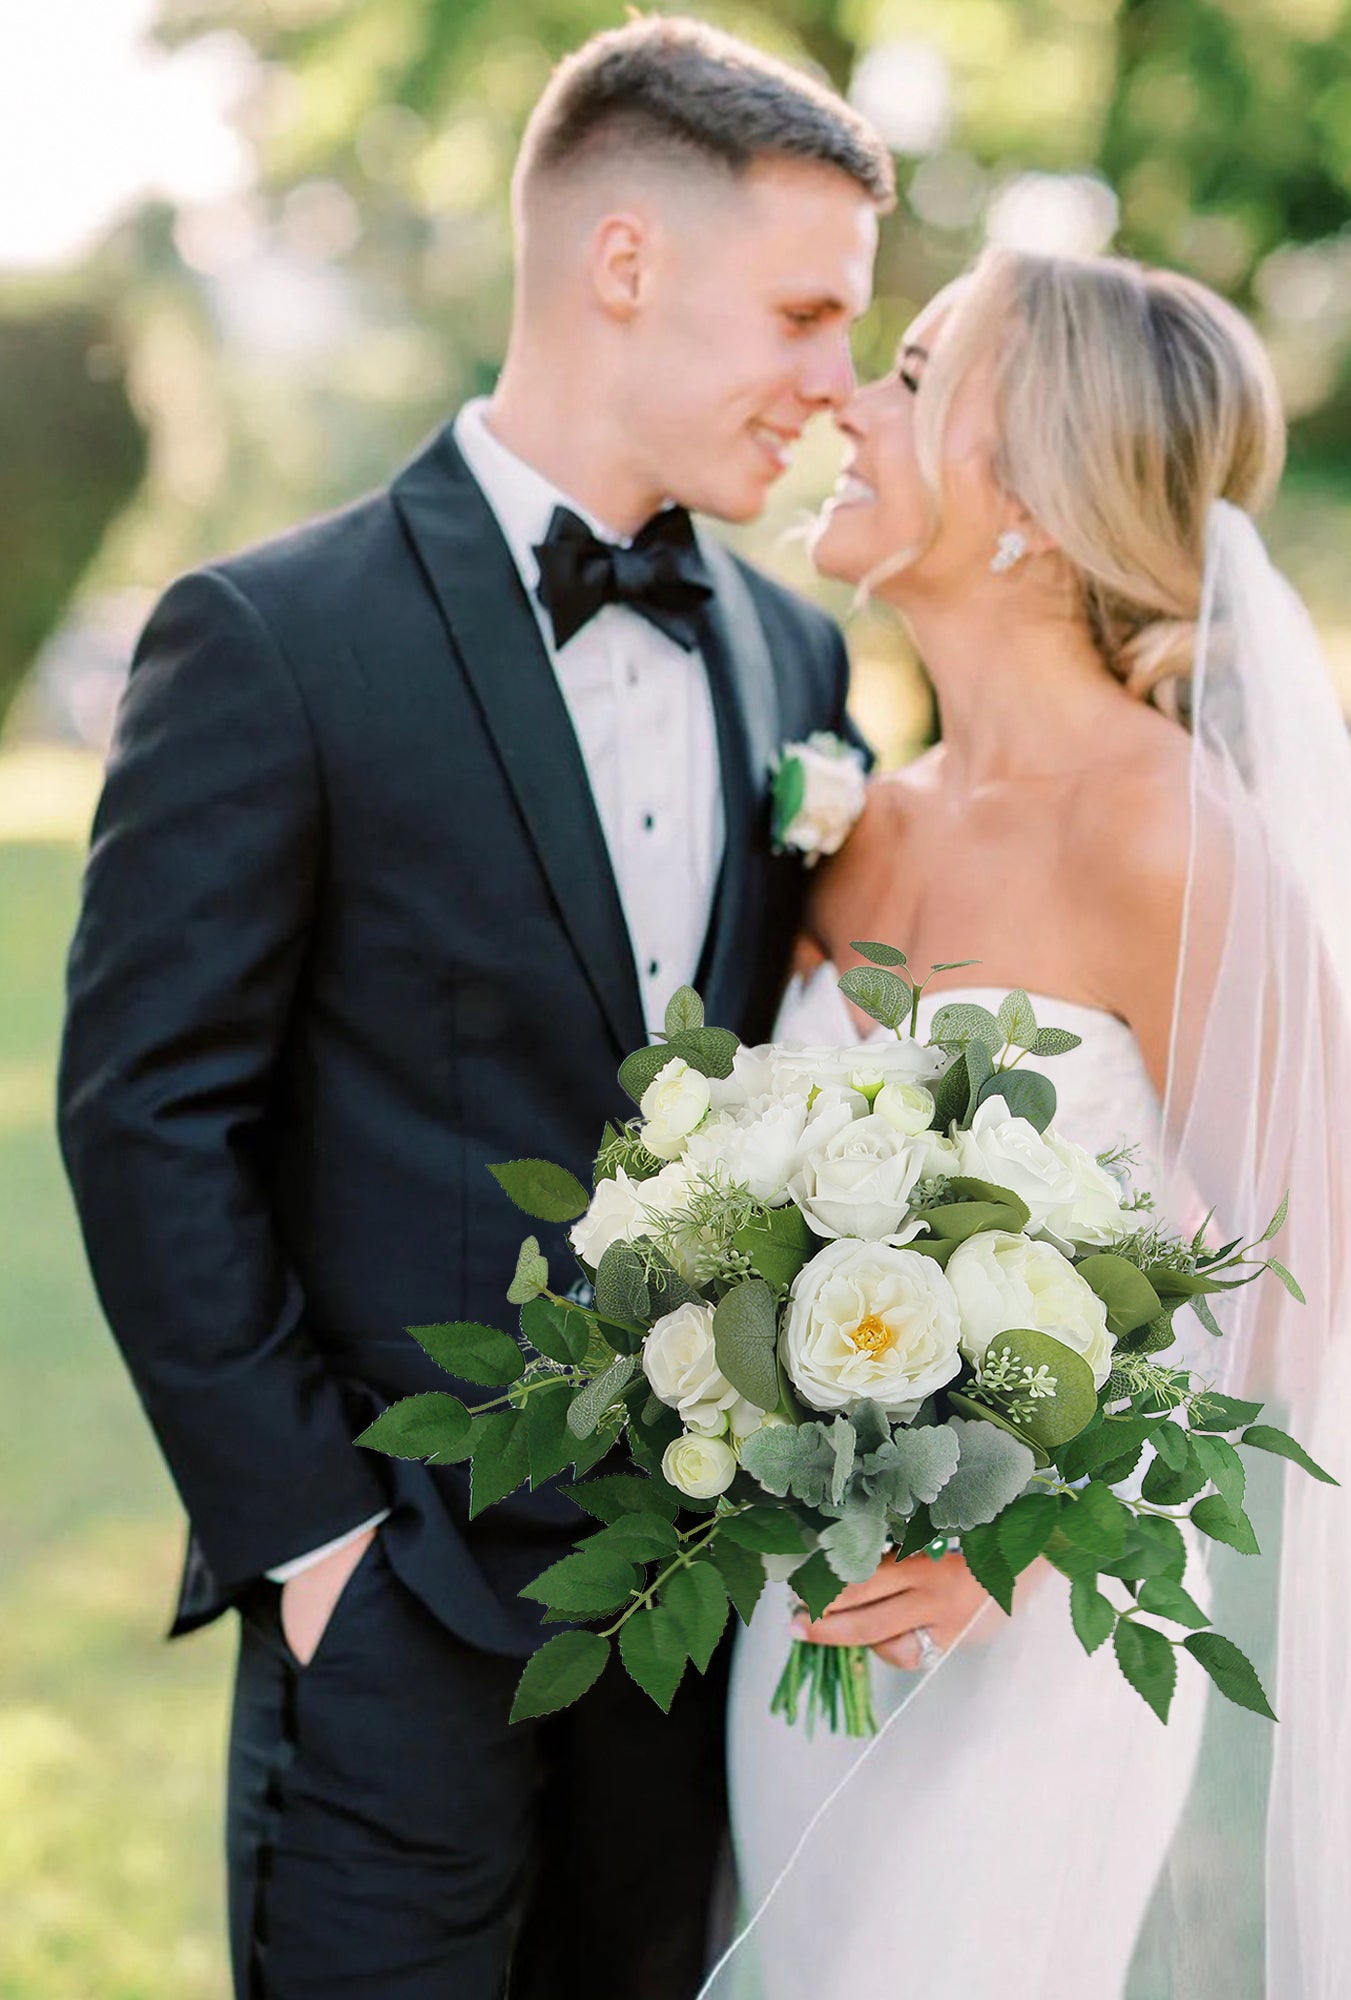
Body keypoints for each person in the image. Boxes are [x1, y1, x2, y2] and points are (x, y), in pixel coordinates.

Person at [56, 19, 889, 1998]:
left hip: (700, 1623)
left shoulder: (798, 653)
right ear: (625, 264)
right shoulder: (273, 636)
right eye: (806, 311)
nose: (839, 385)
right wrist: (320, 1551)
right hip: (400, 1614)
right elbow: (146, 1111)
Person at [711, 251, 1351, 1996]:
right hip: (807, 1624)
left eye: (913, 375)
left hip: (1026, 1657)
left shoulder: (1176, 845)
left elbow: (1298, 1303)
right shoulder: (857, 825)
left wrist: (1009, 1529)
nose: (847, 398)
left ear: (1033, 495)